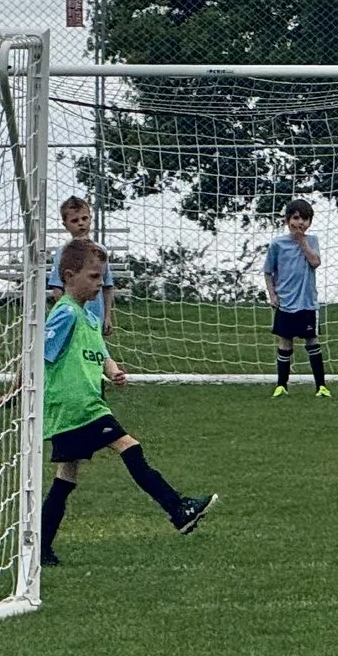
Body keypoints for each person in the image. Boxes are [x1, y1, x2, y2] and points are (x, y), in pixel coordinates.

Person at [38, 238, 215, 565]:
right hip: (78, 405)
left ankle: (41, 547)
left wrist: (113, 371)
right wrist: (18, 388)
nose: (99, 284)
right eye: (93, 277)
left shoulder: (86, 316)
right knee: (128, 445)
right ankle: (178, 510)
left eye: (101, 278)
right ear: (68, 275)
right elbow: (40, 355)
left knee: (66, 476)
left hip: (80, 405)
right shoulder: (64, 313)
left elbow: (99, 354)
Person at [262, 199, 327, 397]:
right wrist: (272, 295)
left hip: (307, 302)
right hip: (285, 302)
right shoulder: (277, 244)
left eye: (304, 219)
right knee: (285, 341)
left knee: (312, 341)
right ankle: (281, 386)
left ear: (310, 223)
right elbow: (268, 271)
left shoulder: (311, 240)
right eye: (296, 218)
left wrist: (302, 242)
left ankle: (321, 387)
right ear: (287, 220)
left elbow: (315, 262)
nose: (300, 223)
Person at [46, 196, 112, 331]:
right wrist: (66, 312)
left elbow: (107, 286)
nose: (81, 223)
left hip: (95, 318)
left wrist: (107, 317)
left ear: (90, 219)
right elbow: (57, 288)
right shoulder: (63, 252)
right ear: (65, 224)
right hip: (74, 318)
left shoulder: (100, 250)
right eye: (75, 220)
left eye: (84, 218)